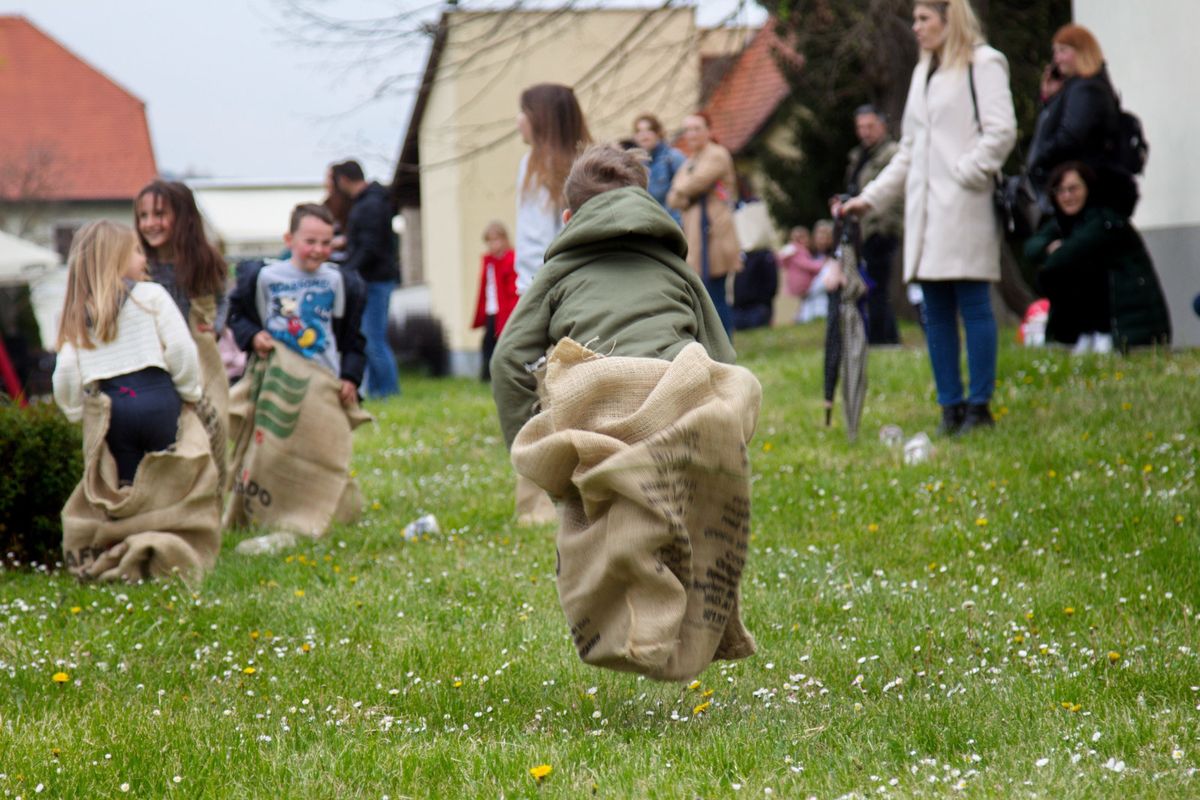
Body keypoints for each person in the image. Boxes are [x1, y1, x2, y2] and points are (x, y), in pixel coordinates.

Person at [838, 0, 1017, 435]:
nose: (915, 27)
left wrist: (965, 174)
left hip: (964, 206)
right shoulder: (925, 72)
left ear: (949, 18)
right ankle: (949, 407)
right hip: (925, 212)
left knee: (973, 301)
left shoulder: (984, 63)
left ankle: (979, 409)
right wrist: (869, 198)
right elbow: (908, 152)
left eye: (924, 18)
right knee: (934, 308)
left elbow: (1002, 131)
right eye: (915, 19)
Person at [491, 143, 735, 448]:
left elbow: (507, 360)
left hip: (596, 429)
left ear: (567, 219)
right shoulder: (676, 269)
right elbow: (722, 358)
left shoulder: (556, 274)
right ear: (645, 208)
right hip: (677, 417)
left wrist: (532, 445)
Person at [52, 221, 202, 486]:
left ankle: (133, 527)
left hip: (112, 410)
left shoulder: (77, 314)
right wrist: (189, 391)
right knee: (169, 484)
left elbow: (64, 370)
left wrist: (75, 412)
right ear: (116, 257)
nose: (144, 258)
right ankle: (170, 525)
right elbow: (181, 348)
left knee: (124, 490)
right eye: (136, 250)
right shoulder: (151, 295)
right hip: (158, 399)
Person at [226, 203, 366, 406]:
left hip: (325, 379)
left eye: (326, 242)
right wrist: (253, 336)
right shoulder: (262, 277)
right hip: (274, 380)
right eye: (310, 241)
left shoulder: (341, 282)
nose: (318, 249)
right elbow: (236, 315)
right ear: (289, 240)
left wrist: (350, 377)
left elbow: (353, 339)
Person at [1024, 162, 1170, 354]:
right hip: (1090, 327)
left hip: (1125, 328)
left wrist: (1056, 251)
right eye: (1060, 190)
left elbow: (1062, 259)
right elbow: (1031, 249)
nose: (1067, 196)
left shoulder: (1104, 221)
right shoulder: (1062, 222)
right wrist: (1048, 249)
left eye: (1073, 189)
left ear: (1088, 189)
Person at [1026, 24, 1137, 218]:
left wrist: (1042, 156)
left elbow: (1071, 136)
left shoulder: (1087, 89)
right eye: (1055, 52)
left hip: (1085, 191)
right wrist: (1051, 98)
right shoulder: (1079, 87)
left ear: (1082, 52)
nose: (1056, 59)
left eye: (1063, 51)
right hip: (1082, 189)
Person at [514, 83, 592, 296]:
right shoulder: (591, 162)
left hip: (549, 291)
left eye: (523, 111)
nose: (518, 120)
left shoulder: (537, 166)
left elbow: (535, 239)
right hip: (590, 286)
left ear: (541, 118)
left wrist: (529, 293)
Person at [331, 159, 400, 399]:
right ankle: (376, 391)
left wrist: (348, 269)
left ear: (343, 180)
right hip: (371, 278)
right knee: (370, 338)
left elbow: (370, 247)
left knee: (373, 339)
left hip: (375, 279)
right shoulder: (370, 201)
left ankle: (389, 392)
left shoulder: (370, 204)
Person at [667, 112, 740, 337]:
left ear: (709, 130)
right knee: (704, 293)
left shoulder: (717, 155)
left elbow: (693, 184)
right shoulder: (691, 161)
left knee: (715, 293)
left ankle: (725, 344)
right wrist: (687, 193)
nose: (691, 134)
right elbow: (673, 197)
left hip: (715, 234)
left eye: (697, 128)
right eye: (687, 130)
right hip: (697, 236)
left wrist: (686, 191)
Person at [842, 105, 903, 345]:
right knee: (870, 287)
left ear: (882, 126)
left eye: (870, 126)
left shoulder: (891, 154)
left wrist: (881, 224)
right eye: (860, 127)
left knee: (877, 287)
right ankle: (884, 337)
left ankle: (882, 340)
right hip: (862, 229)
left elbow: (893, 194)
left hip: (882, 228)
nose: (865, 132)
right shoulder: (858, 156)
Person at [471, 221, 518, 381]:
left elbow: (512, 290)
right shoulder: (488, 261)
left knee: (503, 344)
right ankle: (486, 376)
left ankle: (504, 375)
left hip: (505, 311)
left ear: (504, 239)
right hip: (491, 310)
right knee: (487, 344)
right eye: (489, 241)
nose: (493, 244)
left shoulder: (510, 259)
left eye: (496, 240)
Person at [632, 113, 686, 225]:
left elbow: (687, 193)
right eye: (639, 131)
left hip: (675, 226)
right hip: (652, 226)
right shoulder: (637, 164)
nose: (644, 135)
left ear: (658, 133)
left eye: (648, 130)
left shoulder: (673, 157)